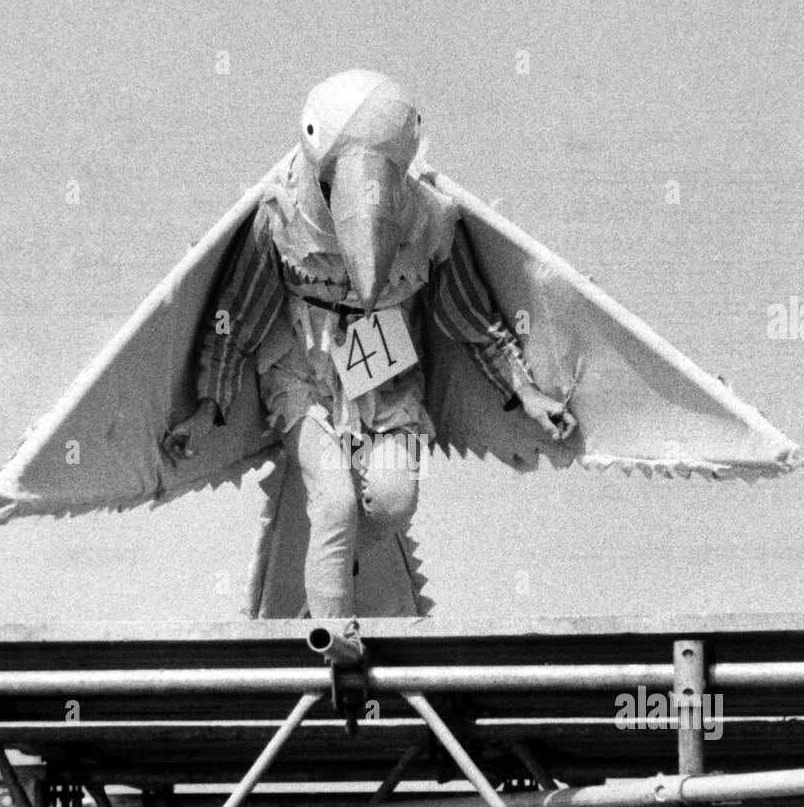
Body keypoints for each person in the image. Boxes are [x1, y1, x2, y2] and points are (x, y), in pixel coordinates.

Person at [164, 70, 575, 618]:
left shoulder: (431, 221)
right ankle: (331, 636)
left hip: (390, 383)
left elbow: (471, 316)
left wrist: (525, 390)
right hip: (302, 383)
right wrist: (207, 406)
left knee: (392, 500)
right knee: (332, 500)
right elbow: (235, 321)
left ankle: (343, 578)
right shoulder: (282, 216)